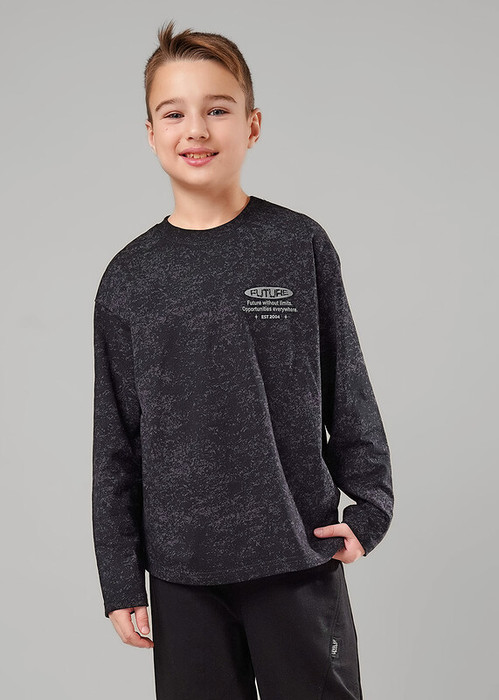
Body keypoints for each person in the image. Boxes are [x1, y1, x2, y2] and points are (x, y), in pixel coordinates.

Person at [92, 18, 394, 700]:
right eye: (174, 113)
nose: (195, 130)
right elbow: (115, 441)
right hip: (182, 575)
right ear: (150, 132)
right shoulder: (128, 279)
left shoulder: (297, 245)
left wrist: (369, 508)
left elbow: (345, 386)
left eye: (218, 109)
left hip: (295, 553)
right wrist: (120, 576)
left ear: (252, 126)